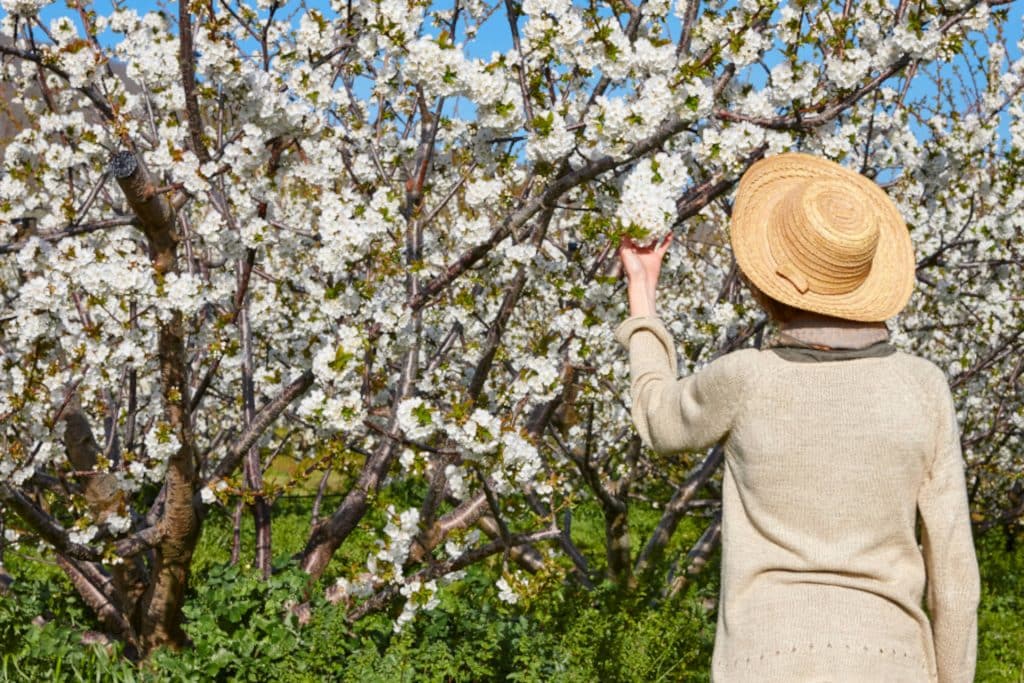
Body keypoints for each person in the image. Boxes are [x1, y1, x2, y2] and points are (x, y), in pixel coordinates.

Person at [616, 152, 980, 683]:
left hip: (764, 664)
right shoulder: (923, 389)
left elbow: (655, 417)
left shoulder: (745, 379)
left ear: (768, 284)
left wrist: (642, 297)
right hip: (893, 663)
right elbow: (954, 576)